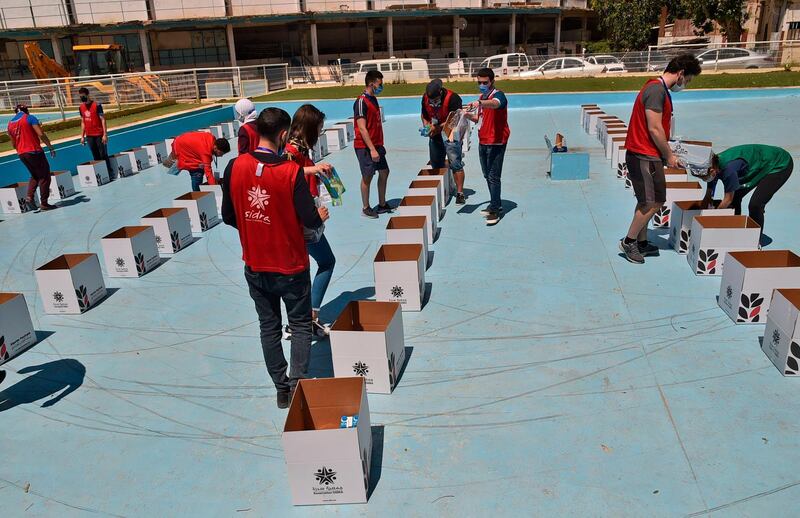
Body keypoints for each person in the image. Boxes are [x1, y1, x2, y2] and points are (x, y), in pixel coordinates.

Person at [221, 107, 329, 409]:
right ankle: (298, 383)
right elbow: (309, 219)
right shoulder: (289, 171)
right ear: (284, 135)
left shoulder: (234, 166)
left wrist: (255, 223)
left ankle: (282, 389)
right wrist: (318, 216)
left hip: (255, 262)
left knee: (268, 327)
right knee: (300, 325)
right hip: (290, 264)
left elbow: (228, 216)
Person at [619, 54, 702, 264]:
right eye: (688, 79)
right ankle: (629, 241)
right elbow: (654, 128)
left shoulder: (658, 89)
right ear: (681, 73)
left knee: (645, 200)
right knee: (654, 201)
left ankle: (642, 241)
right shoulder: (656, 91)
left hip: (645, 154)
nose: (686, 84)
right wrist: (669, 155)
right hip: (644, 155)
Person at [284, 104, 337, 339]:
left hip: (306, 213)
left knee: (310, 266)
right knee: (325, 261)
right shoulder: (291, 149)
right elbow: (285, 173)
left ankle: (303, 319)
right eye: (319, 128)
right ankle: (307, 320)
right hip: (301, 218)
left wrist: (316, 171)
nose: (321, 132)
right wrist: (313, 169)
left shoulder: (301, 147)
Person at [697, 144, 793, 240]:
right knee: (735, 198)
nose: (703, 179)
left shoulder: (729, 170)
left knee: (755, 204)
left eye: (703, 177)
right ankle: (734, 231)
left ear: (712, 171)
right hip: (759, 163)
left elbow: (728, 200)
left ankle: (755, 241)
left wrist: (711, 220)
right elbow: (708, 197)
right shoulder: (712, 163)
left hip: (779, 163)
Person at [466, 68, 510, 226]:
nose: (482, 85)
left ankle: (496, 209)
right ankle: (494, 203)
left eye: (485, 82)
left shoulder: (498, 95)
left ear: (492, 81)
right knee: (486, 174)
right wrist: (466, 115)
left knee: (493, 176)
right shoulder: (482, 97)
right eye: (479, 82)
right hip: (483, 141)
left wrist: (480, 102)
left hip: (496, 142)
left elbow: (495, 104)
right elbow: (479, 118)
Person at [421, 79, 467, 204]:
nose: (433, 103)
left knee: (455, 163)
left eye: (435, 101)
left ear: (440, 93)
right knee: (436, 161)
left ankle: (460, 193)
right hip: (435, 131)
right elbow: (424, 115)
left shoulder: (454, 98)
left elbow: (454, 120)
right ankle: (441, 190)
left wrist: (437, 128)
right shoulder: (425, 98)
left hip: (452, 132)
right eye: (431, 101)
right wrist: (427, 127)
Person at [354, 70, 392, 219]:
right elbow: (362, 128)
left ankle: (382, 204)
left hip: (377, 145)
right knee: (367, 176)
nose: (382, 86)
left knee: (384, 172)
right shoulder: (361, 101)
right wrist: (371, 149)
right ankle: (366, 208)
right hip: (365, 147)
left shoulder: (374, 99)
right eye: (380, 84)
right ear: (372, 83)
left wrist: (378, 146)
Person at [6, 104, 56, 211]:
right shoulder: (30, 118)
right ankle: (44, 203)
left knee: (35, 175)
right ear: (26, 110)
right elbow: (40, 134)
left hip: (22, 153)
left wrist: (21, 150)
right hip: (34, 151)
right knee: (44, 177)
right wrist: (50, 147)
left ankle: (29, 197)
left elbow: (14, 144)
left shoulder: (10, 124)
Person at [164, 131, 230, 191]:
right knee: (197, 172)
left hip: (180, 141)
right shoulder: (205, 151)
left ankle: (170, 163)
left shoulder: (211, 139)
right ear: (215, 148)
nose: (221, 156)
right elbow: (208, 173)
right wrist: (216, 189)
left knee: (200, 166)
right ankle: (196, 193)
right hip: (180, 148)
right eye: (221, 153)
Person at [78, 87, 111, 177]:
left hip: (99, 134)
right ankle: (101, 173)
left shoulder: (97, 105)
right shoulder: (81, 108)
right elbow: (83, 122)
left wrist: (105, 134)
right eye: (80, 97)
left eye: (83, 96)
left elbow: (103, 119)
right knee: (95, 156)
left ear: (88, 95)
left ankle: (109, 172)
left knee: (103, 154)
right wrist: (82, 136)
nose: (82, 98)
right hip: (89, 135)